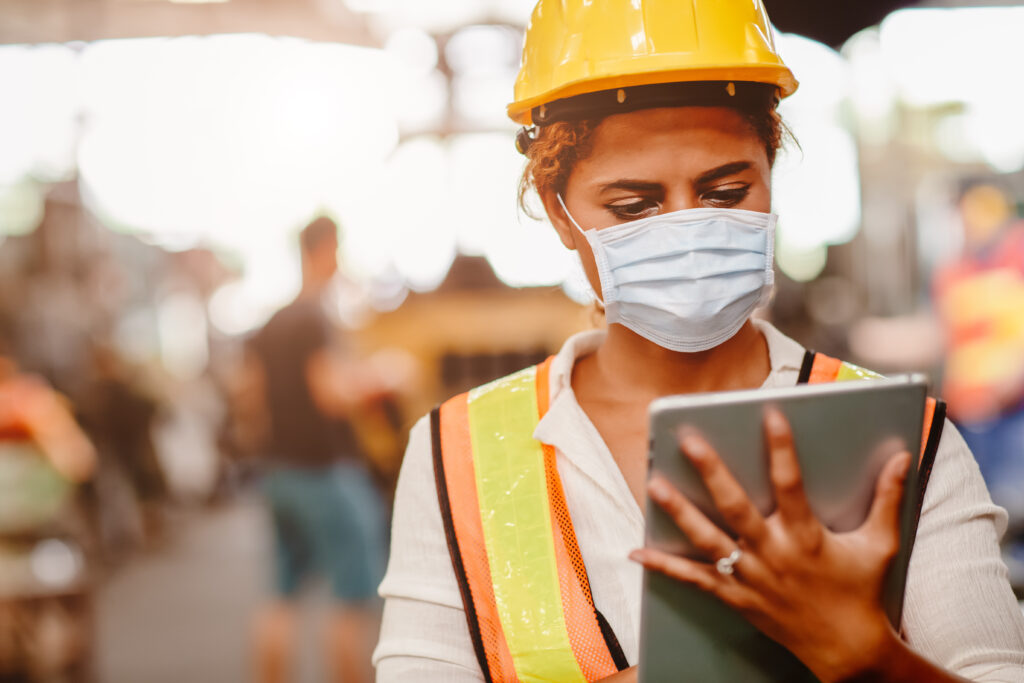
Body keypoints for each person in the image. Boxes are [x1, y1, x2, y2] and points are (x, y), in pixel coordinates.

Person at [373, 2, 1024, 682]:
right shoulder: (459, 453)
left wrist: (870, 656)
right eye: (634, 205)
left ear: (772, 172)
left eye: (725, 190)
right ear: (556, 206)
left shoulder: (903, 440)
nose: (686, 229)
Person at [248, 216, 385, 683]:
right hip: (325, 472)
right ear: (326, 248)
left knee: (281, 599)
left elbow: (250, 397)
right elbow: (330, 393)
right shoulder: (315, 317)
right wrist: (380, 378)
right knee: (351, 602)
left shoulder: (271, 323)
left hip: (280, 471)